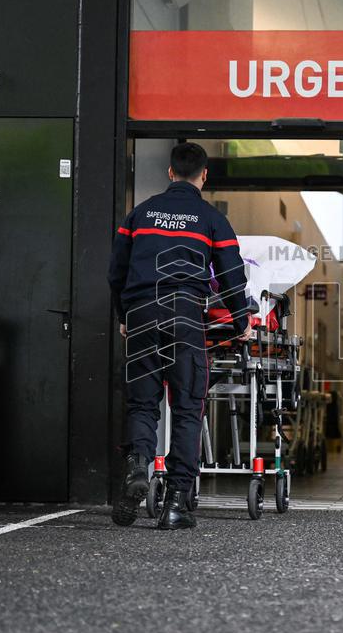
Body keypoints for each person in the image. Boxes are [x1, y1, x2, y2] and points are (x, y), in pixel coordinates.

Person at [108, 142, 252, 530]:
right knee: (188, 408)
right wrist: (241, 323)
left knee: (142, 406)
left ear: (170, 173)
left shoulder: (139, 214)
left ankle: (138, 467)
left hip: (141, 314)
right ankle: (175, 504)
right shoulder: (210, 218)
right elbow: (231, 275)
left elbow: (115, 271)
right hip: (186, 317)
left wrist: (125, 315)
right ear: (204, 176)